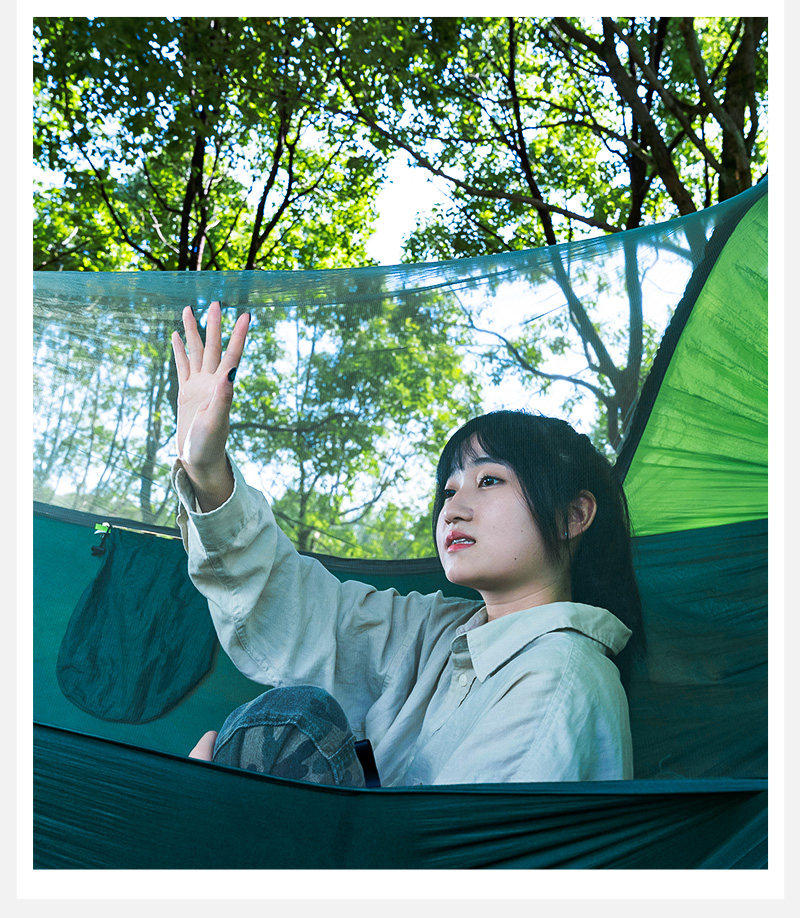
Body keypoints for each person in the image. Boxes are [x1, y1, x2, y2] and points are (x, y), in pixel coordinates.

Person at [171, 302, 643, 787]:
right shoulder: (437, 633)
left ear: (572, 516)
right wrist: (207, 473)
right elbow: (307, 616)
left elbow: (454, 837)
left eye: (489, 480)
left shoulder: (561, 678)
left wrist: (217, 820)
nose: (453, 509)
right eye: (449, 490)